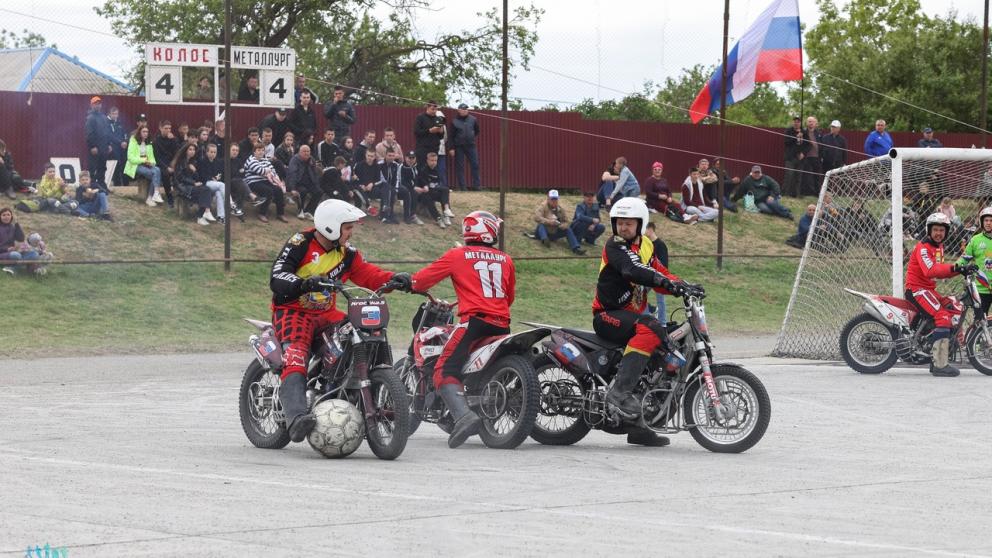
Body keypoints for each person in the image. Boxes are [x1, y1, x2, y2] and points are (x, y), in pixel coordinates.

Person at [269, 199, 411, 442]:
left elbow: (368, 274)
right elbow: (277, 276)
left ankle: (357, 390)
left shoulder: (348, 254)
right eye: (347, 228)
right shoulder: (300, 243)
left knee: (361, 335)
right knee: (295, 355)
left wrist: (394, 279)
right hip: (293, 311)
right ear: (331, 227)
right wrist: (303, 284)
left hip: (327, 313)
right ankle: (295, 418)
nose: (351, 232)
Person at [592, 197, 700, 446]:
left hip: (633, 316)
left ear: (640, 224)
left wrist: (683, 286)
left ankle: (640, 425)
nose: (623, 228)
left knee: (669, 341)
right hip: (608, 314)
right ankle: (619, 393)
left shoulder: (647, 246)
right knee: (650, 326)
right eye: (619, 223)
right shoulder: (615, 246)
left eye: (628, 223)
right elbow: (633, 270)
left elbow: (660, 272)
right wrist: (664, 283)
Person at [409, 210, 512, 448]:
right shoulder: (506, 259)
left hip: (473, 321)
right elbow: (509, 296)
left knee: (444, 369)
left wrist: (409, 283)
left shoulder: (458, 255)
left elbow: (421, 281)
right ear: (488, 230)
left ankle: (464, 417)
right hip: (502, 323)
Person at [906, 212, 976, 377]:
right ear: (928, 230)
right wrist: (955, 268)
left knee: (954, 307)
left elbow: (941, 271)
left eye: (942, 230)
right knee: (943, 315)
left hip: (928, 290)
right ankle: (939, 363)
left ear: (946, 232)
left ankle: (938, 350)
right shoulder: (923, 248)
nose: (938, 233)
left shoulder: (939, 247)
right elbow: (930, 270)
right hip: (916, 290)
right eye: (935, 229)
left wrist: (962, 269)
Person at [171, 143, 217, 226]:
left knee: (207, 190)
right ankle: (203, 214)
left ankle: (203, 214)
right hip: (183, 186)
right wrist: (193, 183)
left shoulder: (194, 162)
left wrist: (194, 170)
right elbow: (180, 178)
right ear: (185, 151)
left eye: (194, 150)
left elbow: (197, 177)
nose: (192, 151)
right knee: (206, 190)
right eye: (190, 149)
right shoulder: (180, 162)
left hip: (192, 186)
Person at [959, 207, 992, 318]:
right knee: (980, 320)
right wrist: (956, 266)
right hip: (981, 288)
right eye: (986, 220)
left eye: (991, 220)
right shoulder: (975, 240)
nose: (988, 223)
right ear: (982, 222)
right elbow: (964, 258)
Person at [244, 142, 288, 223]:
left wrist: (268, 171)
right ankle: (262, 213)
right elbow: (260, 171)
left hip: (265, 181)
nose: (261, 152)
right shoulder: (251, 160)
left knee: (278, 190)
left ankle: (280, 214)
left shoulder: (265, 160)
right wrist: (267, 171)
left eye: (262, 150)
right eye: (259, 150)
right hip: (253, 182)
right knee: (268, 191)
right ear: (254, 152)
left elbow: (273, 171)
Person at [532, 190, 585, 255]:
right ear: (548, 198)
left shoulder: (560, 209)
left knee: (568, 229)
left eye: (555, 199)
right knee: (541, 225)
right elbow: (536, 217)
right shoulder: (542, 206)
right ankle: (545, 240)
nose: (554, 201)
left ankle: (576, 248)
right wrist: (549, 221)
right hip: (542, 232)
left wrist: (563, 225)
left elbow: (567, 222)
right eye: (552, 199)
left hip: (554, 232)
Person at [124, 124, 164, 207]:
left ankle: (154, 195)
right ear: (139, 132)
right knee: (155, 173)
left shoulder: (148, 142)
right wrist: (143, 160)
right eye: (144, 131)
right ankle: (151, 197)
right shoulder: (133, 140)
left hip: (146, 165)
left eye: (147, 132)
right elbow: (130, 158)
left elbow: (152, 158)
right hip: (135, 165)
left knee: (157, 170)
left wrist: (151, 163)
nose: (146, 133)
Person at [416, 152, 453, 227]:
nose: (434, 162)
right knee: (427, 196)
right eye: (432, 160)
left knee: (445, 191)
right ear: (427, 160)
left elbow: (437, 184)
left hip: (433, 191)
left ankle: (446, 212)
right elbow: (423, 184)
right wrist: (426, 187)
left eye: (435, 160)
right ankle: (438, 218)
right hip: (422, 194)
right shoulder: (423, 170)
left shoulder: (437, 170)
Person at [450, 103, 481, 191]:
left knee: (475, 165)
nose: (464, 110)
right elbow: (451, 136)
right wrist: (451, 148)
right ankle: (463, 187)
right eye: (463, 109)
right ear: (459, 110)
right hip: (459, 146)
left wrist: (470, 136)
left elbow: (477, 131)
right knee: (460, 167)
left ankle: (477, 186)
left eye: (466, 109)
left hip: (471, 145)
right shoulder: (454, 121)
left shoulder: (473, 119)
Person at [0, 206, 40, 275]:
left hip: (12, 252)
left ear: (11, 216)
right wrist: (6, 249)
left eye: (8, 215)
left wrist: (17, 224)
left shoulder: (12, 227)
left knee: (34, 254)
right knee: (16, 255)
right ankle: (15, 267)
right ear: (0, 217)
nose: (6, 217)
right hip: (3, 253)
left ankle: (13, 268)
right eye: (4, 215)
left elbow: (21, 238)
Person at [84, 96, 113, 189]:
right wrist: (92, 146)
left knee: (102, 167)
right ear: (91, 105)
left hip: (104, 147)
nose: (98, 105)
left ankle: (102, 185)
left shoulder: (104, 117)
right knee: (92, 168)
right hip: (95, 148)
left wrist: (109, 144)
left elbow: (108, 132)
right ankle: (91, 186)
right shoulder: (90, 118)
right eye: (95, 103)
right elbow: (89, 134)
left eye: (99, 103)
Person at [287, 144, 322, 220]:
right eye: (304, 151)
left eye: (308, 151)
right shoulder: (295, 160)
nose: (306, 153)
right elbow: (292, 174)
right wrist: (292, 188)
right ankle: (300, 210)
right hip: (298, 183)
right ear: (300, 152)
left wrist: (317, 185)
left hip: (309, 182)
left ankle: (309, 211)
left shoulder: (311, 159)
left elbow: (315, 173)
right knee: (303, 191)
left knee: (319, 191)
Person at [197, 143, 229, 224]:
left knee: (219, 193)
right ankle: (231, 203)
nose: (213, 154)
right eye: (211, 152)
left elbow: (219, 174)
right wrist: (212, 178)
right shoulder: (202, 161)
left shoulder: (217, 162)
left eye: (215, 152)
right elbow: (202, 175)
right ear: (207, 152)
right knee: (222, 185)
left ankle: (221, 217)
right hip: (206, 184)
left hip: (215, 184)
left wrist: (216, 178)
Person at [644, 222, 669, 323]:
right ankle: (646, 318)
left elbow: (664, 264)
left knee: (660, 301)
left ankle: (663, 323)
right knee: (639, 296)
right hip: (648, 277)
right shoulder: (646, 244)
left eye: (644, 230)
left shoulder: (660, 245)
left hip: (659, 277)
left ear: (650, 230)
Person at [153, 120, 181, 208]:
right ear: (161, 128)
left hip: (172, 163)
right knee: (165, 174)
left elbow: (177, 153)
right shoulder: (156, 140)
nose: (168, 130)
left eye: (169, 128)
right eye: (166, 128)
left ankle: (180, 195)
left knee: (179, 172)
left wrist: (173, 140)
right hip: (161, 164)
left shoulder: (174, 139)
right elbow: (157, 158)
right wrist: (166, 167)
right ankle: (170, 198)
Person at [413, 101, 446, 166]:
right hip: (422, 148)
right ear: (427, 108)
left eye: (436, 109)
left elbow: (441, 137)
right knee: (422, 168)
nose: (434, 111)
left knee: (433, 169)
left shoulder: (438, 119)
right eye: (432, 109)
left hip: (434, 148)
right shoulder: (420, 117)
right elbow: (416, 132)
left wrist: (441, 131)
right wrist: (429, 131)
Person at [783, 116, 808, 197]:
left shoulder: (804, 132)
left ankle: (796, 194)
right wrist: (796, 137)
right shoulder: (788, 131)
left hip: (800, 158)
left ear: (800, 123)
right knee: (789, 176)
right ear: (793, 122)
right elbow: (786, 142)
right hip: (790, 157)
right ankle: (786, 194)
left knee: (798, 177)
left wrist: (803, 153)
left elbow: (809, 145)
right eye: (795, 121)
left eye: (798, 122)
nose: (796, 123)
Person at [802, 116, 824, 196]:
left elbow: (822, 145)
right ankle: (806, 193)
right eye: (809, 121)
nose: (810, 123)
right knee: (806, 176)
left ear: (816, 124)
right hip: (807, 157)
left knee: (817, 176)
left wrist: (822, 156)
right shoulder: (803, 132)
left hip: (817, 157)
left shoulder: (819, 133)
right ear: (806, 123)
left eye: (812, 121)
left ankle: (817, 193)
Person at [108, 107, 129, 186]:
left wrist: (125, 142)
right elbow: (109, 135)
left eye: (116, 114)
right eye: (113, 114)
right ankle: (117, 185)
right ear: (109, 114)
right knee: (116, 167)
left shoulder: (120, 123)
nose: (115, 116)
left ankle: (126, 185)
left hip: (122, 148)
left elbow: (125, 134)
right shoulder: (106, 123)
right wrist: (120, 142)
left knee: (124, 166)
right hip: (113, 148)